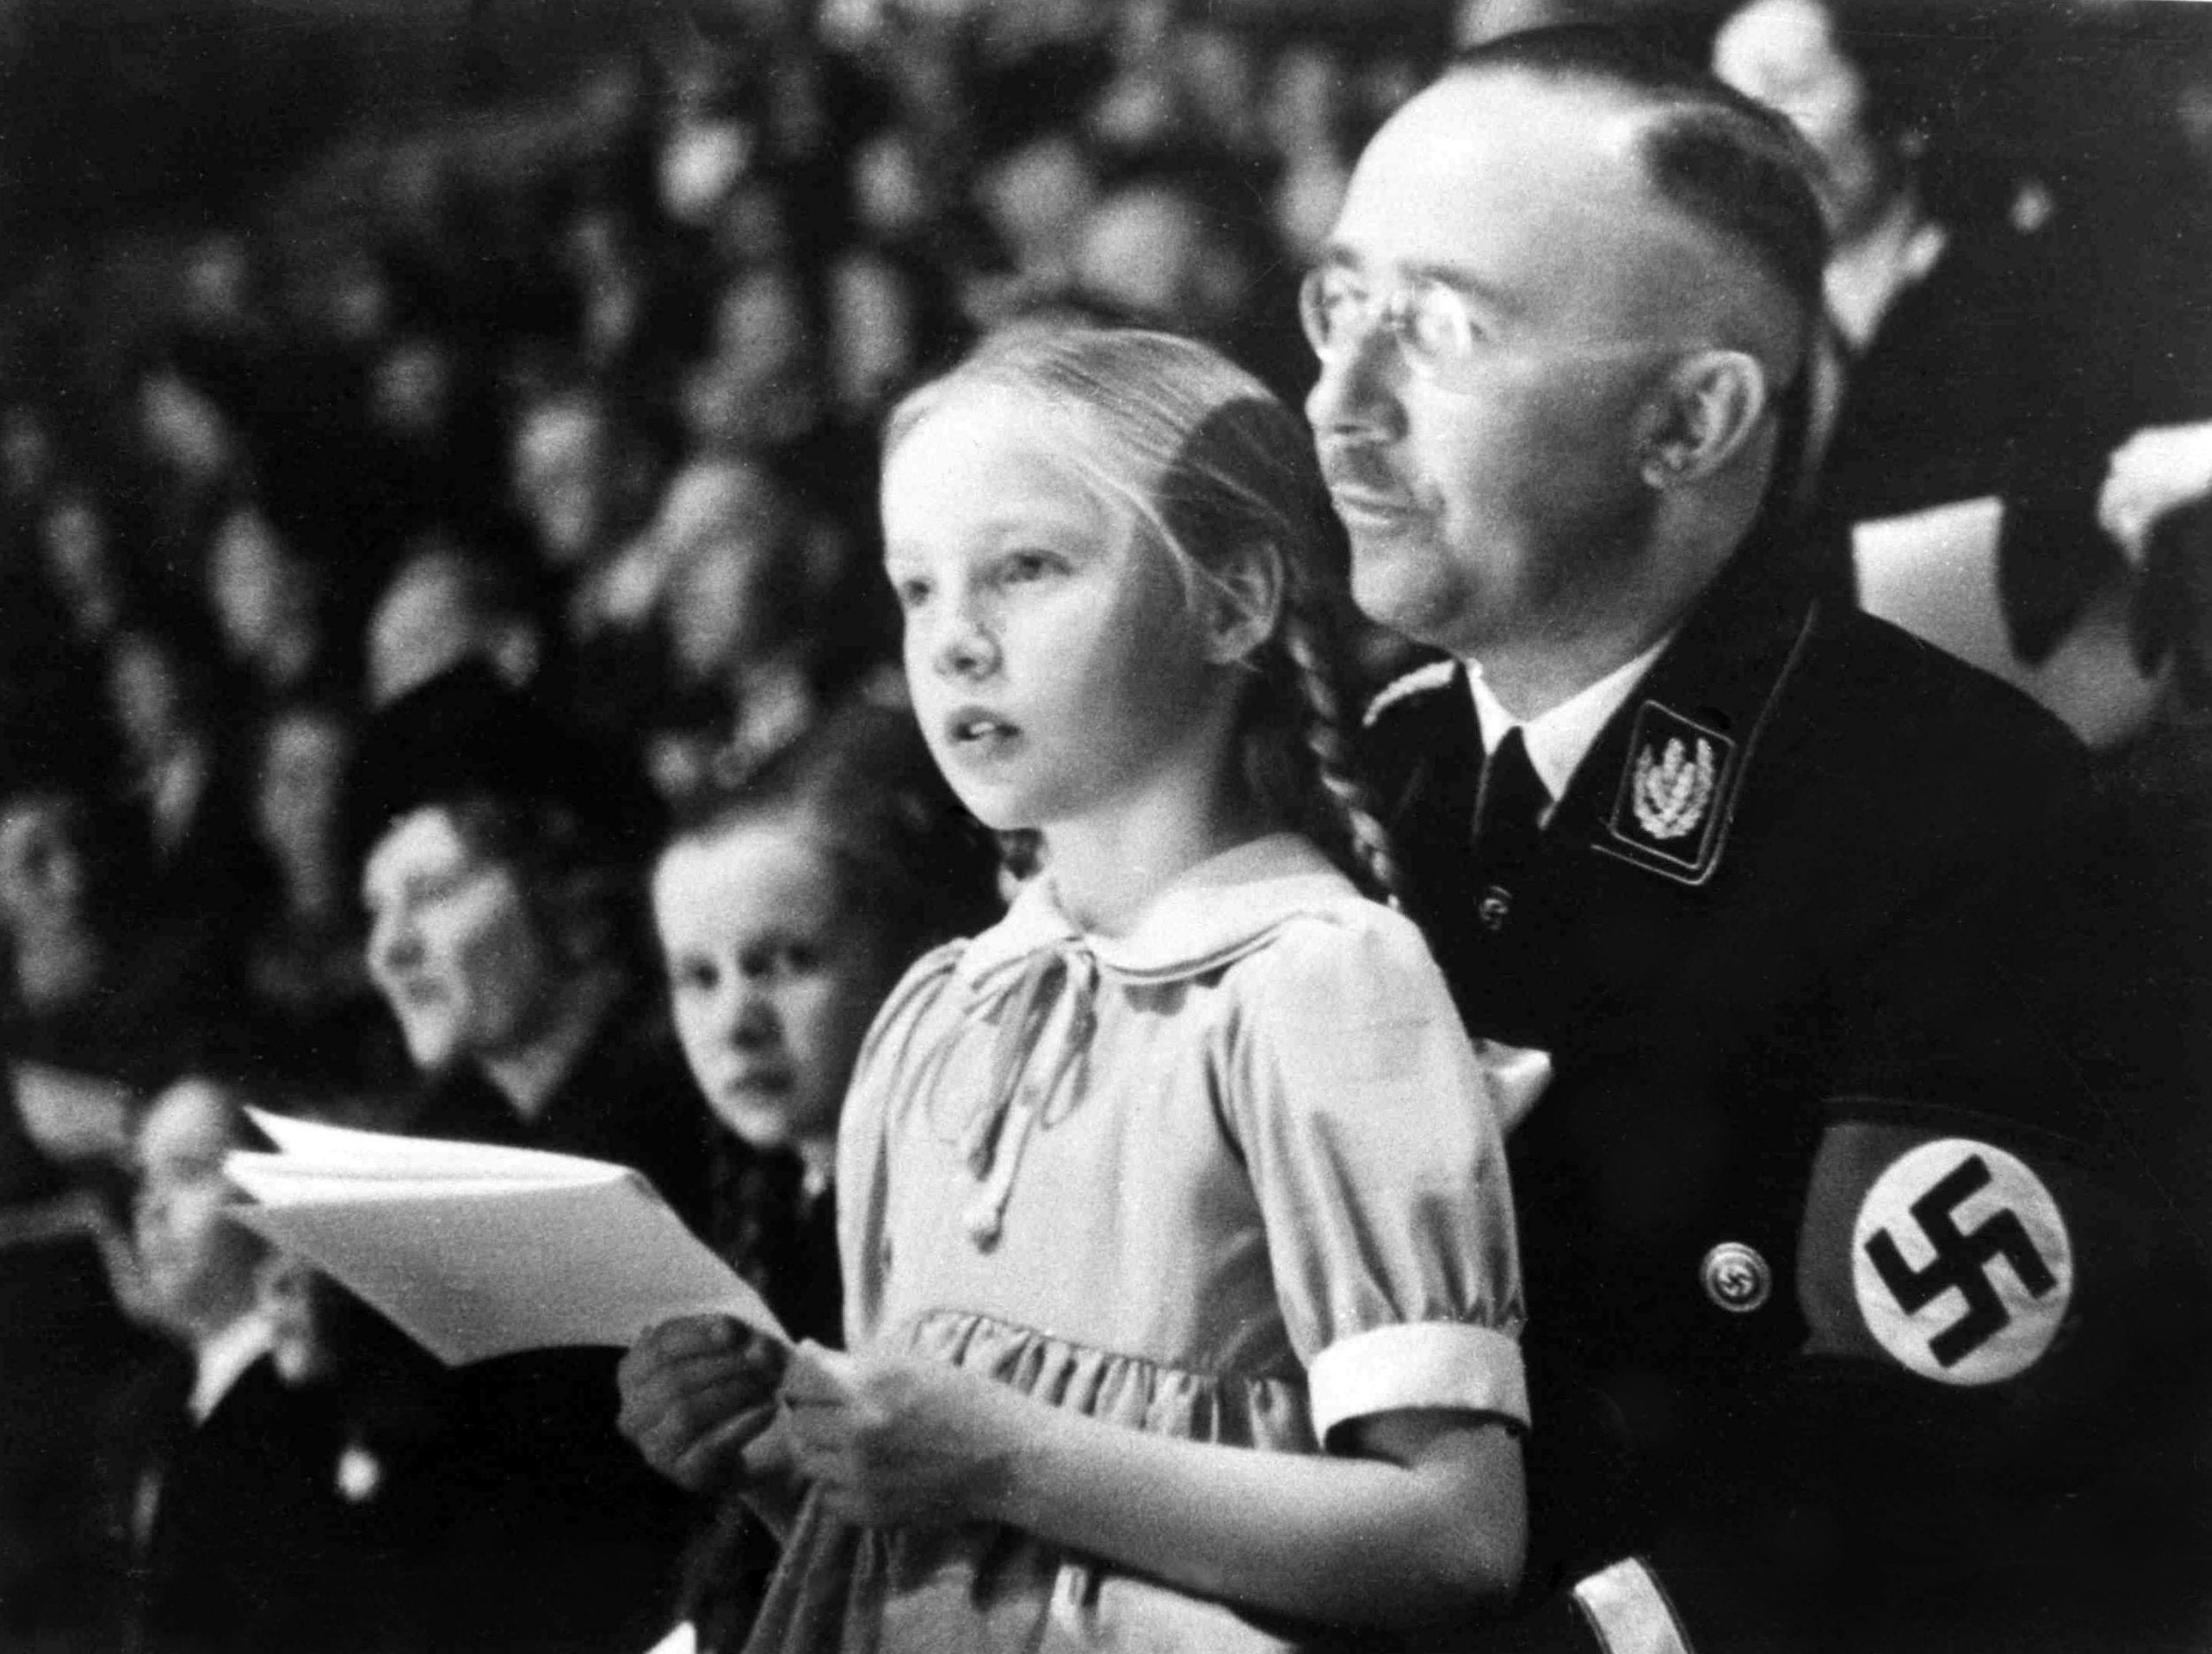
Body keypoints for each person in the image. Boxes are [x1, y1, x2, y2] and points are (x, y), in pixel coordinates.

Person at [1307, 27, 2212, 1652]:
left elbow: (1917, 1491)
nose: (1340, 405)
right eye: (1341, 305)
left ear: (1692, 417)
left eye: (1438, 329)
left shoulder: (1958, 825)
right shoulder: (1383, 781)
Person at [618, 327, 1534, 1651]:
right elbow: (951, 1583)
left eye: (1026, 570)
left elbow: (1454, 1539)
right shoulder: (936, 1018)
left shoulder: (1314, 984)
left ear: (1232, 603)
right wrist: (783, 1460)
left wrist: (1003, 1458)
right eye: (918, 590)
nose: (956, 646)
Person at [346, 659, 705, 1651]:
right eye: (374, 908)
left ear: (569, 890)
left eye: (430, 894)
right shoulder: (438, 1143)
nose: (389, 951)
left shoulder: (692, 1118)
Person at [648, 697, 998, 1652]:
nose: (736, 1022)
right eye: (699, 976)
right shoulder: (777, 1199)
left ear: (912, 949)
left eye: (786, 962)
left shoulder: (953, 1212)